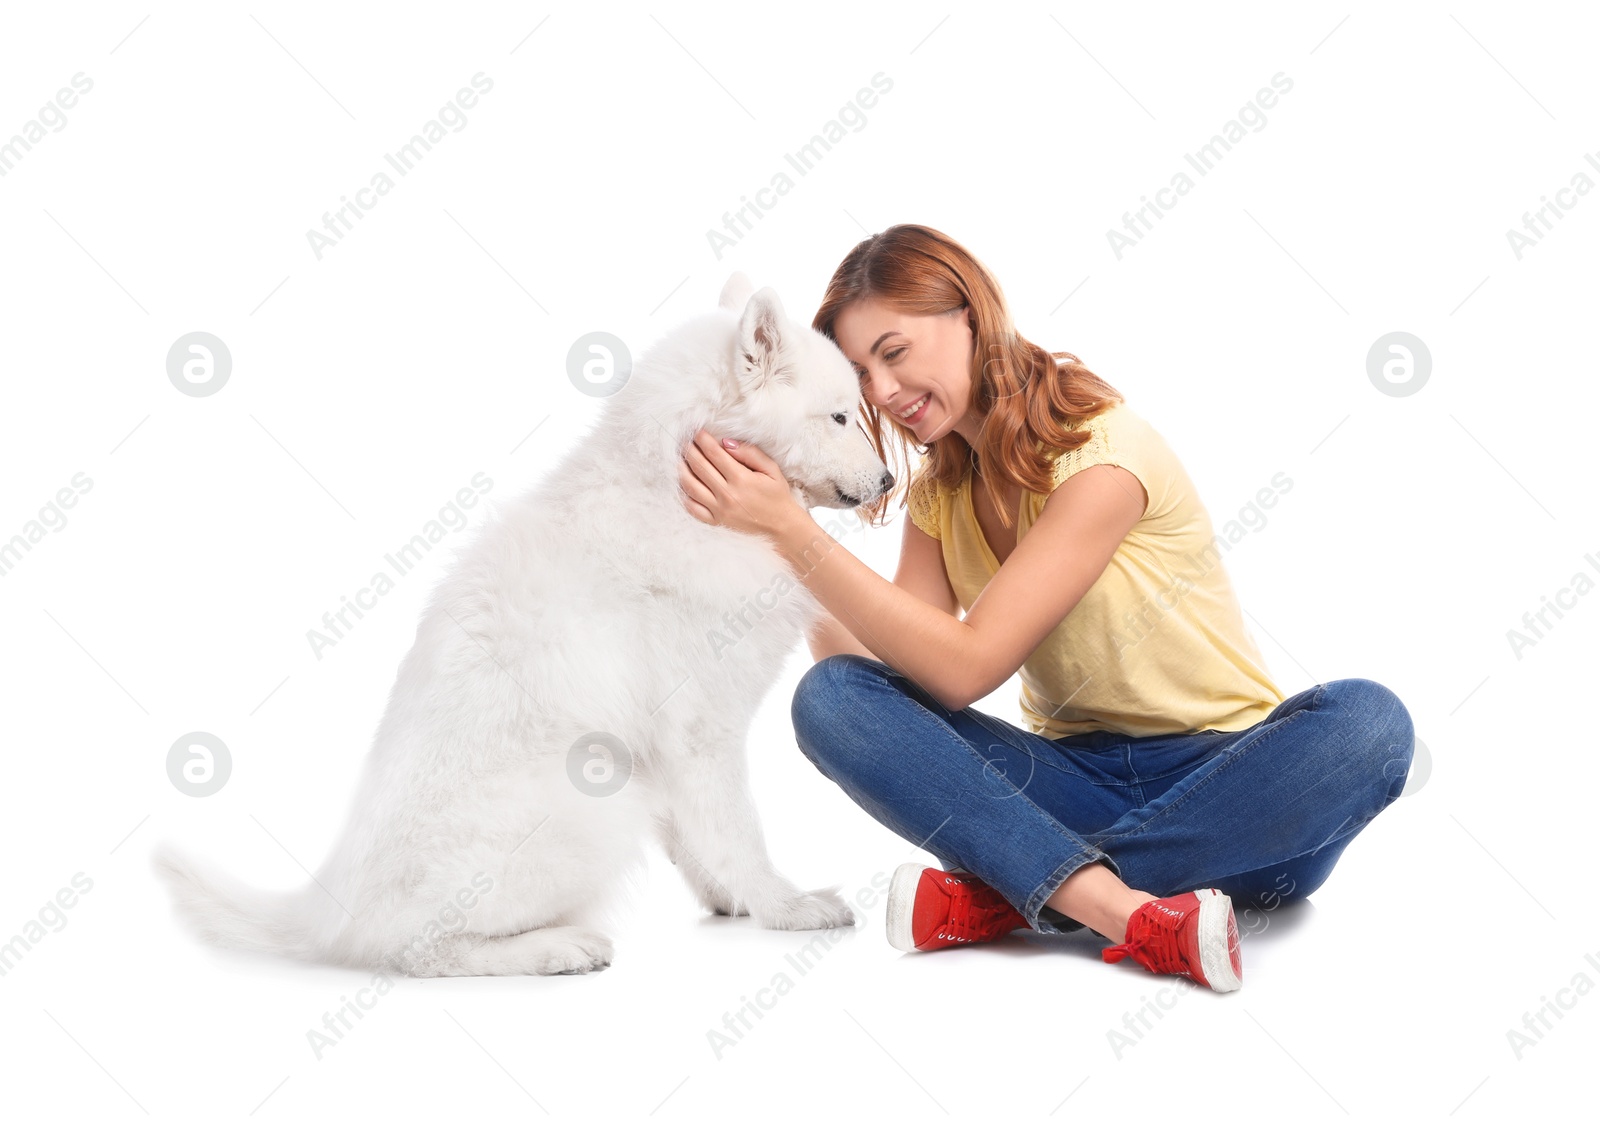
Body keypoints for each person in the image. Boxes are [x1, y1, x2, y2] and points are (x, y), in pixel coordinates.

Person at [676, 223, 1414, 992]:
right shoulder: (941, 492)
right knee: (830, 701)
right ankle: (1122, 910)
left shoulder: (1103, 453)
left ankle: (1018, 895)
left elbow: (966, 669)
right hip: (1067, 777)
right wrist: (776, 529)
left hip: (1239, 785)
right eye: (861, 373)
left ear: (968, 315)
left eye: (893, 353)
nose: (883, 393)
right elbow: (880, 675)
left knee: (1372, 724)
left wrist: (793, 534)